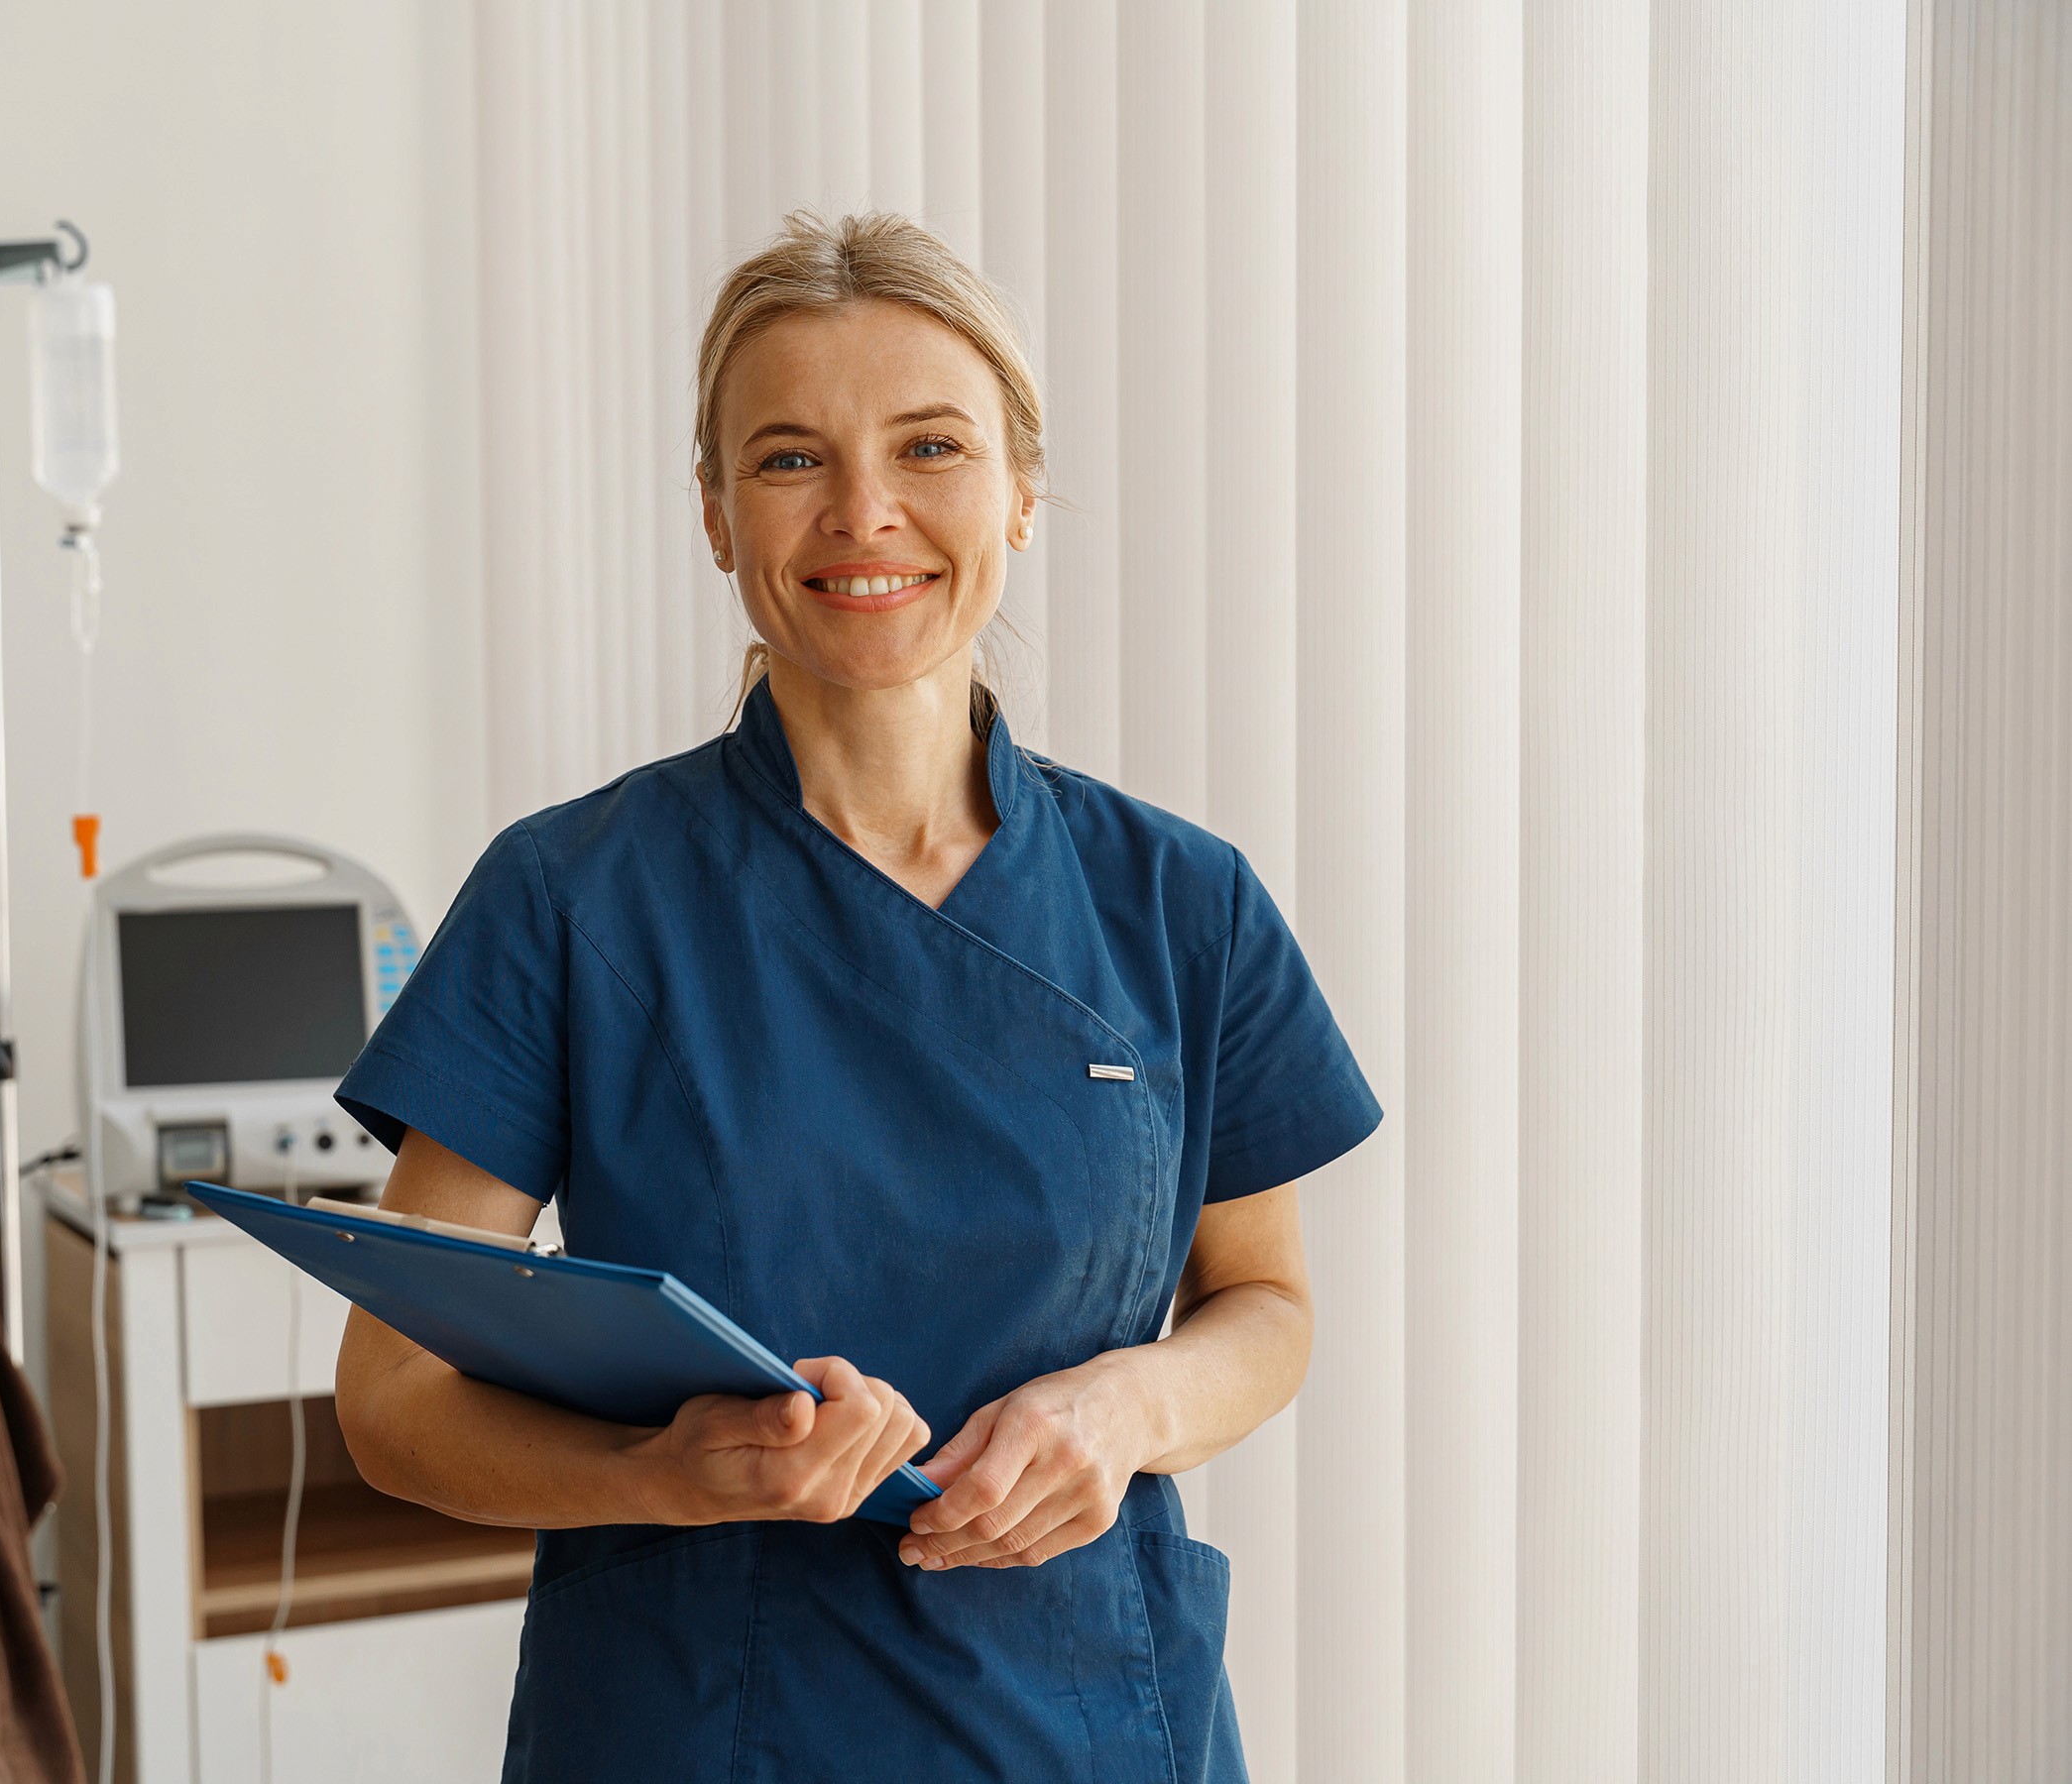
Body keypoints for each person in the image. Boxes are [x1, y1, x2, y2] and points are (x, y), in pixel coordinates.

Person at [333, 209, 1382, 1782]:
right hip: (702, 1723)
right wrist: (669, 1472)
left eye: (933, 446)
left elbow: (1268, 1310)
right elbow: (392, 1397)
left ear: (1021, 492)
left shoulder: (1182, 902)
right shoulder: (573, 898)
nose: (865, 514)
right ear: (712, 512)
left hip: (1082, 1716)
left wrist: (1124, 1409)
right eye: (787, 458)